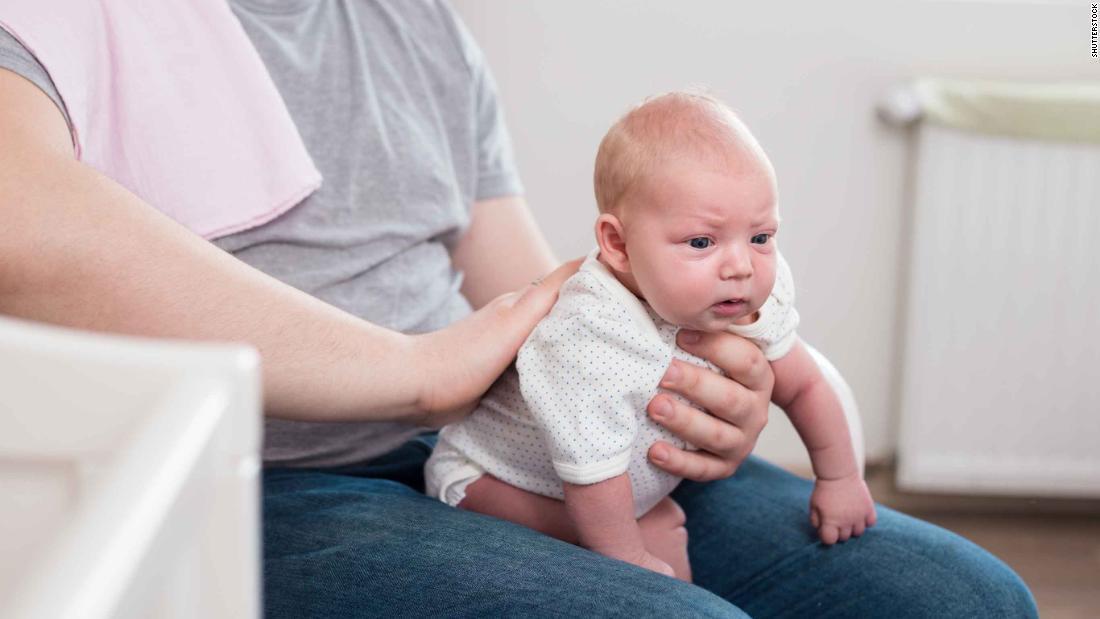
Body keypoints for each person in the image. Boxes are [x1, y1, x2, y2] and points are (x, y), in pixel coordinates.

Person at [0, 1, 1036, 616]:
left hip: (485, 441)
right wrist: (418, 370)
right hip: (254, 481)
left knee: (960, 599)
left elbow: (527, 291)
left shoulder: (413, 22)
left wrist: (691, 389)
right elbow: (19, 220)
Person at [424, 92, 876, 582]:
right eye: (701, 242)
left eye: (761, 236)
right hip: (493, 481)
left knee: (661, 529)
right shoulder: (589, 335)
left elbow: (805, 384)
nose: (742, 266)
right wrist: (628, 553)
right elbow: (590, 470)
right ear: (617, 244)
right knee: (652, 542)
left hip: (630, 484)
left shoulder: (747, 295)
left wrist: (840, 477)